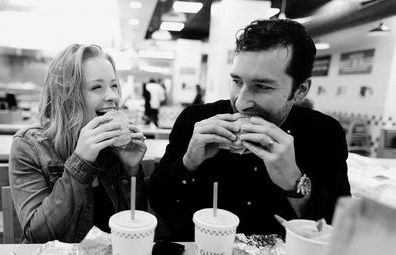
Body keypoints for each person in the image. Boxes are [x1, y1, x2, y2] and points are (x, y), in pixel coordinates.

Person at [148, 19, 350, 240]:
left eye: (262, 86)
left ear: (300, 90)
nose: (242, 103)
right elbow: (157, 201)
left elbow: (340, 229)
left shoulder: (325, 133)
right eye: (237, 81)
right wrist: (188, 163)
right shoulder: (195, 120)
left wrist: (294, 183)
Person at [9, 44, 147, 243]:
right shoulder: (30, 146)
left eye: (114, 85)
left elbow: (135, 230)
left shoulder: (113, 146)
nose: (113, 96)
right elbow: (37, 238)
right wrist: (80, 162)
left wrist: (130, 170)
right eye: (96, 87)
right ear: (66, 96)